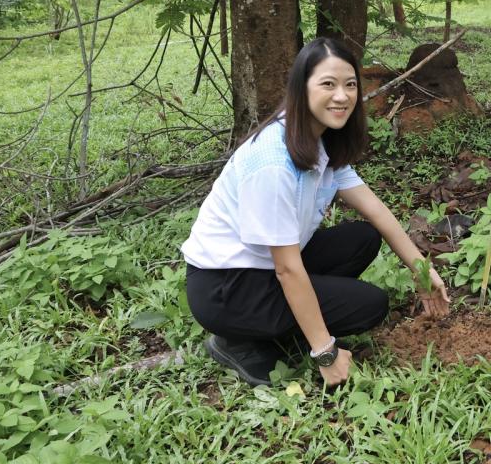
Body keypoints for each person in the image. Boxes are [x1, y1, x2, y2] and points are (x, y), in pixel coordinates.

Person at [181, 37, 451, 387]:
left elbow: (375, 210)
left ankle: (286, 324)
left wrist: (420, 269)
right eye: (328, 84)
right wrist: (325, 352)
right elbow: (288, 269)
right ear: (301, 88)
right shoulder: (273, 162)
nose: (342, 96)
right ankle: (238, 342)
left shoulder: (320, 141)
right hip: (227, 289)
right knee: (369, 304)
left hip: (260, 269)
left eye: (350, 84)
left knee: (363, 237)